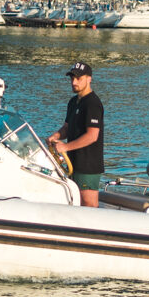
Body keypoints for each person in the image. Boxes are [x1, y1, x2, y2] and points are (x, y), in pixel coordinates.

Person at [48, 60, 104, 207]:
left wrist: (65, 147)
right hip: (73, 163)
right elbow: (67, 127)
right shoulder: (73, 102)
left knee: (89, 203)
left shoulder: (93, 103)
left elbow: (92, 136)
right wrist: (56, 136)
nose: (74, 82)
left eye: (78, 78)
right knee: (75, 201)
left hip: (88, 165)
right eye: (72, 78)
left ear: (89, 79)